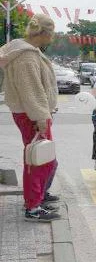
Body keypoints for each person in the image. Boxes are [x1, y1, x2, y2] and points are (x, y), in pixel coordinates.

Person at [0, 14, 60, 221]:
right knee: (40, 161)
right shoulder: (27, 56)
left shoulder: (22, 50)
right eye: (51, 34)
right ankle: (33, 207)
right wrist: (41, 118)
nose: (52, 39)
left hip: (29, 113)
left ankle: (36, 199)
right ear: (43, 33)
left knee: (38, 158)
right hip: (33, 115)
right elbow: (31, 91)